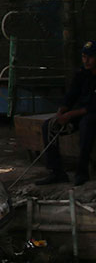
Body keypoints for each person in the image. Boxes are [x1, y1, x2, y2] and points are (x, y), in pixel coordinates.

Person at [39, 40, 96, 186]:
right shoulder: (82, 74)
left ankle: (82, 172)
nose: (86, 60)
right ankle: (56, 172)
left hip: (91, 114)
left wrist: (69, 115)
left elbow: (92, 107)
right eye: (84, 57)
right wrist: (61, 111)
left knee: (87, 125)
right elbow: (71, 95)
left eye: (90, 57)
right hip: (80, 113)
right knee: (49, 126)